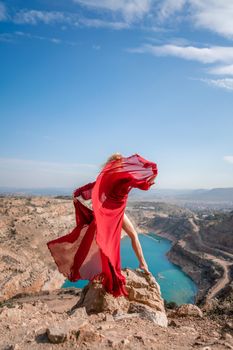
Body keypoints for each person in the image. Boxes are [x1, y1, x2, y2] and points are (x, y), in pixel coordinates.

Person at [47, 152, 158, 298]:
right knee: (125, 238)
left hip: (111, 214)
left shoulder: (106, 177)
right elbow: (144, 183)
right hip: (112, 215)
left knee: (109, 243)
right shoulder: (125, 177)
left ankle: (115, 269)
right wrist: (152, 175)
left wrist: (77, 192)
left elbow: (90, 188)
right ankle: (142, 264)